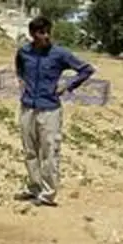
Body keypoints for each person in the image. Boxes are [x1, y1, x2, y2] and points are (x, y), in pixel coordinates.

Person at [15, 15, 95, 207]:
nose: (46, 36)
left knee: (49, 151)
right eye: (42, 33)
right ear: (33, 34)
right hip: (28, 107)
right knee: (30, 151)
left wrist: (68, 86)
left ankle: (48, 193)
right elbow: (19, 67)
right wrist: (21, 80)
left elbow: (86, 69)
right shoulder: (24, 52)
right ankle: (34, 187)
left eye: (48, 32)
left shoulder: (59, 54)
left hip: (49, 108)